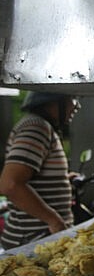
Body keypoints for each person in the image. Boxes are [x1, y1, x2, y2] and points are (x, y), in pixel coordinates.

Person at [0, 92, 80, 249]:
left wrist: (61, 181)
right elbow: (10, 184)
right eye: (73, 98)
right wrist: (53, 220)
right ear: (53, 101)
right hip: (33, 241)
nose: (77, 105)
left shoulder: (41, 127)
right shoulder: (36, 127)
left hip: (38, 239)